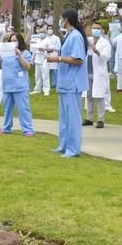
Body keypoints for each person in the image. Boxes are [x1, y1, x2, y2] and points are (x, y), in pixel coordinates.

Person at [47, 10, 88, 157]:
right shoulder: (69, 35)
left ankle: (73, 149)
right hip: (65, 82)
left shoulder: (76, 36)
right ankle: (63, 145)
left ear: (66, 20)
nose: (60, 21)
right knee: (64, 117)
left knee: (73, 118)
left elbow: (78, 60)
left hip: (72, 83)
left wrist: (58, 59)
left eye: (61, 19)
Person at [0, 32, 34, 136]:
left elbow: (27, 67)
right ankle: (6, 128)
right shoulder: (6, 54)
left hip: (20, 85)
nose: (12, 42)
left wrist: (19, 55)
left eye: (15, 40)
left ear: (19, 42)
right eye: (11, 41)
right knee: (7, 108)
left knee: (23, 108)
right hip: (7, 85)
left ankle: (28, 130)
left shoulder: (25, 53)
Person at [83, 23, 111, 129]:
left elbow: (107, 57)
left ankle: (100, 119)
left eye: (98, 29)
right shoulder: (88, 40)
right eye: (94, 28)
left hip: (98, 73)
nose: (95, 30)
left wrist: (97, 52)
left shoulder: (105, 43)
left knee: (99, 97)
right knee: (89, 96)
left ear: (102, 30)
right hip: (88, 72)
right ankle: (89, 118)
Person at [29, 26, 50, 96]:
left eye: (42, 33)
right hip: (37, 59)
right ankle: (37, 89)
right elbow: (34, 50)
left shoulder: (48, 40)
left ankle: (46, 90)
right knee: (37, 76)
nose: (41, 34)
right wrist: (32, 59)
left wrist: (44, 49)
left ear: (45, 33)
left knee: (45, 75)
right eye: (40, 33)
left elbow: (51, 50)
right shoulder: (37, 40)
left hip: (44, 59)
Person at [43, 25, 61, 89]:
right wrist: (46, 49)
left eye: (51, 29)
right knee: (46, 70)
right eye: (48, 29)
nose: (50, 30)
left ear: (53, 30)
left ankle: (54, 84)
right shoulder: (45, 38)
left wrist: (52, 49)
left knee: (54, 70)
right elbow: (42, 46)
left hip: (54, 54)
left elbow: (59, 47)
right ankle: (45, 84)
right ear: (47, 30)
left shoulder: (56, 38)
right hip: (46, 55)